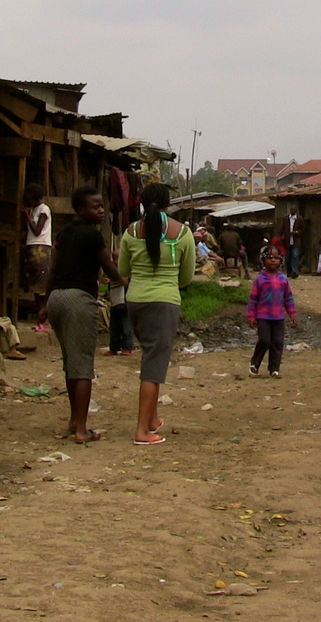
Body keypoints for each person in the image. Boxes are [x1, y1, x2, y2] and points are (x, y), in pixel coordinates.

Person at [38, 186, 126, 444]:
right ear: (80, 210)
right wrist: (122, 282)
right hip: (79, 299)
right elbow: (107, 265)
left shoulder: (64, 233)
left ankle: (75, 419)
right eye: (95, 207)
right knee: (83, 367)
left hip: (57, 298)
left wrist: (44, 303)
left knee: (70, 364)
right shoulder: (93, 236)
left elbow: (53, 269)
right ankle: (82, 430)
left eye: (102, 206)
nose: (101, 211)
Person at [119, 183, 196, 446]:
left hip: (135, 301)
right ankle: (142, 430)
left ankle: (152, 419)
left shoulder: (130, 232)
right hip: (164, 302)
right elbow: (186, 277)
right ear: (168, 202)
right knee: (153, 367)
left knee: (152, 357)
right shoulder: (182, 233)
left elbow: (123, 269)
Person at [247, 246, 297, 379]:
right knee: (264, 341)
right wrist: (251, 316)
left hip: (279, 317)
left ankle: (274, 369)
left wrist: (292, 313)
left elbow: (288, 298)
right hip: (263, 316)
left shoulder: (283, 279)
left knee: (278, 342)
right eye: (269, 258)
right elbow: (253, 299)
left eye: (276, 258)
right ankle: (255, 363)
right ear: (263, 260)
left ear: (281, 261)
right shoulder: (260, 279)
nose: (273, 260)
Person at [21, 183, 53, 331]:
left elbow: (37, 231)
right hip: (33, 247)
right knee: (35, 286)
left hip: (41, 248)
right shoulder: (34, 209)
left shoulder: (43, 209)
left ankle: (45, 319)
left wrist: (26, 216)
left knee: (41, 285)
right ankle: (41, 318)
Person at [104, 253, 134, 356]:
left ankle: (127, 347)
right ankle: (114, 347)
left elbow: (125, 282)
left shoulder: (126, 271)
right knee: (114, 328)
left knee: (126, 328)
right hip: (115, 303)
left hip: (125, 304)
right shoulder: (111, 272)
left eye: (116, 259)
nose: (114, 261)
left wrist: (114, 279)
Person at [278, 205, 307, 278]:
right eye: (291, 210)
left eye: (293, 210)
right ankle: (289, 272)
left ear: (296, 210)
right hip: (287, 241)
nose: (292, 211)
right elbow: (282, 228)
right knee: (288, 257)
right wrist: (281, 236)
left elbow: (303, 230)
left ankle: (295, 271)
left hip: (295, 241)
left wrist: (296, 232)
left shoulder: (299, 219)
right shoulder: (285, 218)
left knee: (295, 256)